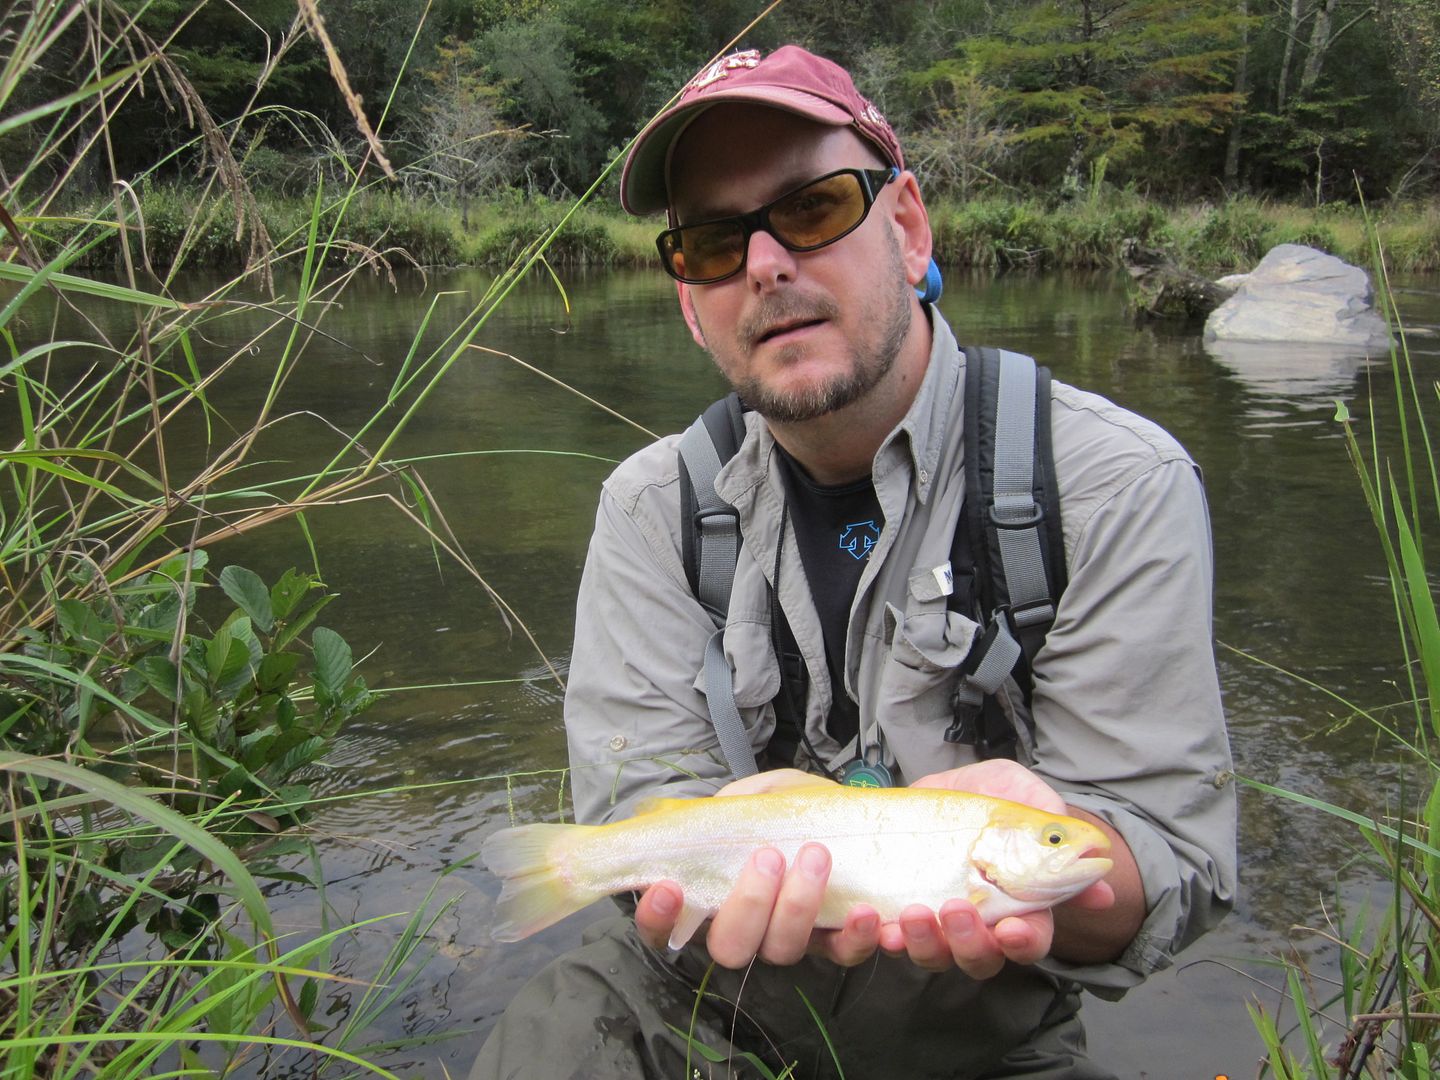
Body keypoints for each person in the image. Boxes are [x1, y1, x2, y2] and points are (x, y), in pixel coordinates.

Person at [471, 44, 1236, 1080]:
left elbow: (1168, 859)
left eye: (816, 208)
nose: (766, 265)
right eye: (710, 241)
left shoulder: (1113, 483)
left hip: (976, 1030)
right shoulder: (650, 508)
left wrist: (1072, 858)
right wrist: (670, 856)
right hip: (694, 996)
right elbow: (635, 809)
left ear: (908, 226)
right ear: (692, 303)